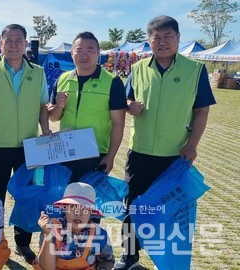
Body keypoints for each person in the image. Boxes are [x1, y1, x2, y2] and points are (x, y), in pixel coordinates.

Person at [115, 15, 216, 270]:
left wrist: (192, 145)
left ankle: (169, 262)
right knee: (133, 208)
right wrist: (130, 106)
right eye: (156, 38)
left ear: (178, 38)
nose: (161, 42)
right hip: (139, 152)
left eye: (167, 36)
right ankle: (129, 258)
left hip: (175, 156)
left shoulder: (195, 70)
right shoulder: (137, 69)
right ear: (149, 41)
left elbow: (202, 110)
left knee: (172, 211)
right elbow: (126, 101)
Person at [0, 23, 51, 264]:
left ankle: (22, 244)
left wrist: (46, 129)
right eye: (9, 41)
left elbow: (42, 105)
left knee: (27, 196)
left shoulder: (37, 72)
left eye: (19, 40)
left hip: (30, 145)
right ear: (1, 45)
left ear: (26, 44)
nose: (14, 45)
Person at [48, 32, 126, 182]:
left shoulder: (112, 82)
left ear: (98, 53)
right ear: (71, 53)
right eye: (79, 50)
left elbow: (118, 123)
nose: (84, 55)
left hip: (95, 153)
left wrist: (111, 156)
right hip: (66, 151)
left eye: (90, 50)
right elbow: (54, 117)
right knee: (64, 200)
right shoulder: (62, 79)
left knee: (89, 202)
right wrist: (59, 106)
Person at [34, 182, 115, 270]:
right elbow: (46, 268)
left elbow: (107, 261)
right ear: (64, 208)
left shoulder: (100, 234)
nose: (78, 213)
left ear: (91, 211)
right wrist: (48, 235)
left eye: (84, 208)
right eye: (73, 207)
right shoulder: (50, 228)